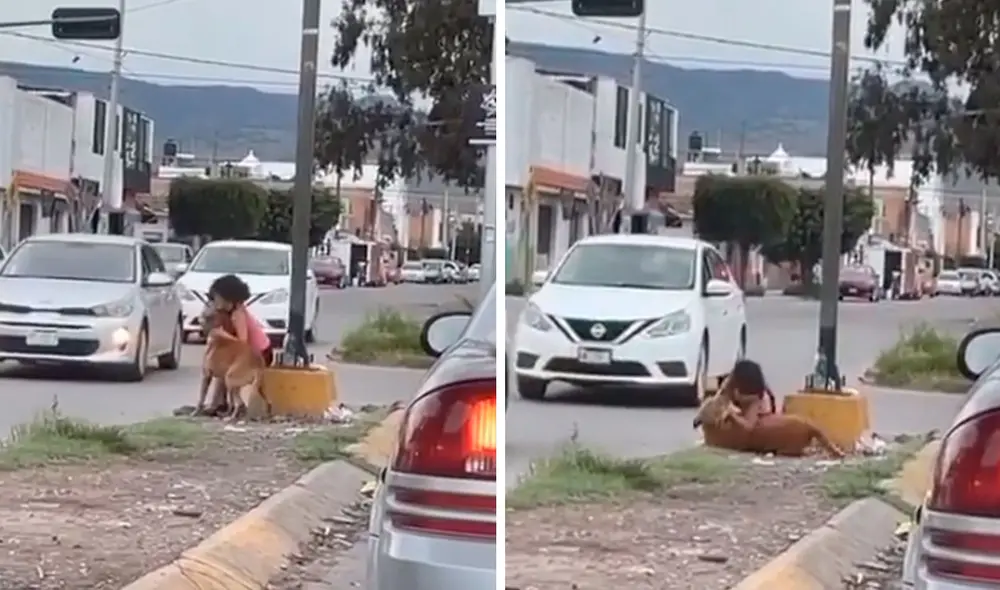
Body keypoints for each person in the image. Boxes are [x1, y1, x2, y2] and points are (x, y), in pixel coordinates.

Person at [207, 274, 274, 366]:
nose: (215, 301)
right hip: (254, 352)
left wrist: (222, 334)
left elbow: (243, 343)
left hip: (261, 353)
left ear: (228, 298)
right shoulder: (228, 312)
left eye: (217, 297)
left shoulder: (238, 314)